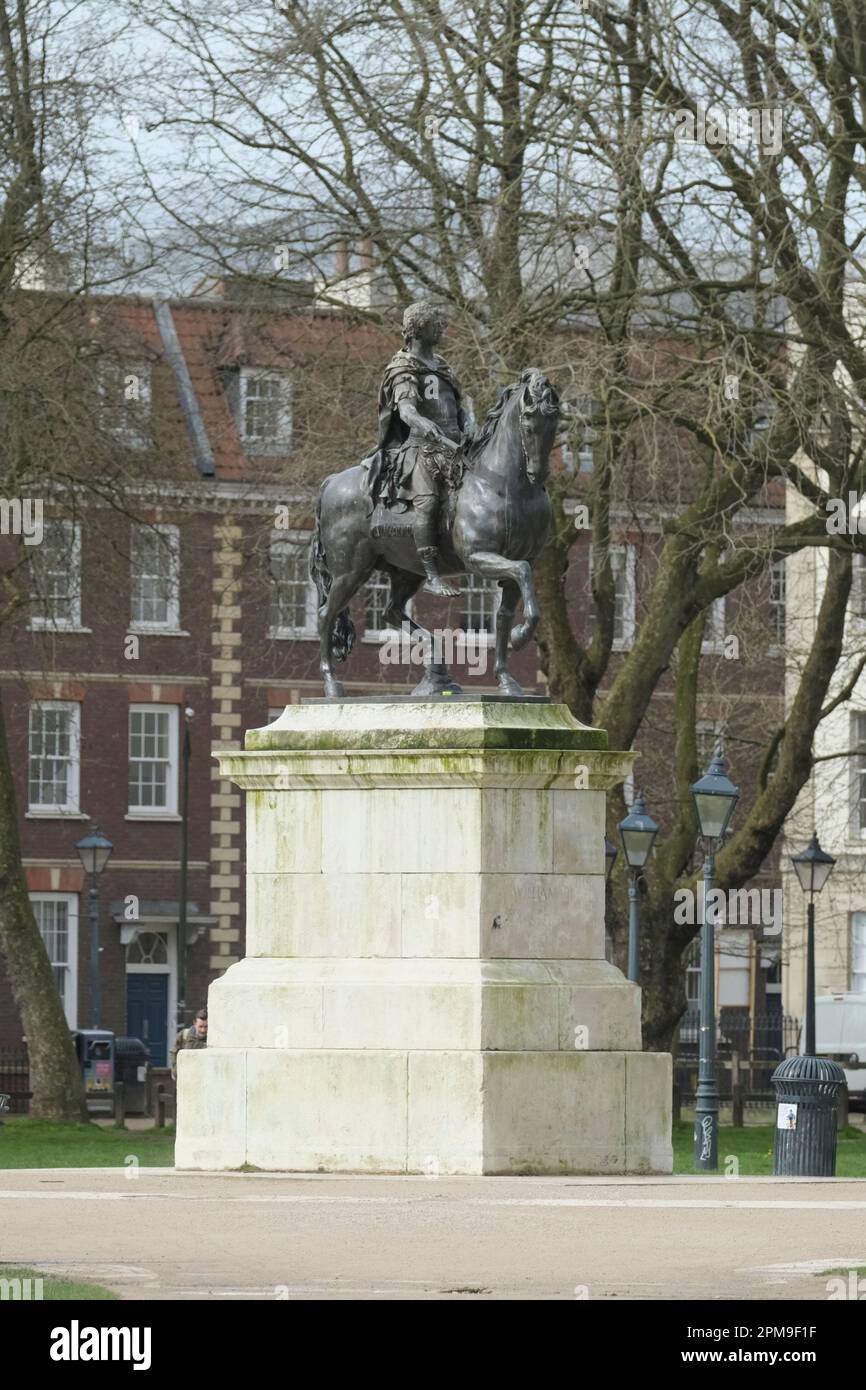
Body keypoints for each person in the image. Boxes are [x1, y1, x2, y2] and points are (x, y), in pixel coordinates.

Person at [363, 300, 470, 596]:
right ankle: (432, 575)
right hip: (422, 448)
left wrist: (469, 420)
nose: (442, 327)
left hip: (455, 446)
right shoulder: (403, 366)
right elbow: (407, 411)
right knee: (429, 502)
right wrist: (424, 424)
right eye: (436, 322)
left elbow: (458, 405)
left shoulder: (443, 365)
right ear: (419, 329)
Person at [170, 1008, 208, 1080]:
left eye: (206, 1027)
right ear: (194, 1023)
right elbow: (174, 1052)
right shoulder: (184, 1035)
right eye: (200, 1026)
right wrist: (175, 1071)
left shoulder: (213, 1039)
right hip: (186, 1076)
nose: (203, 1030)